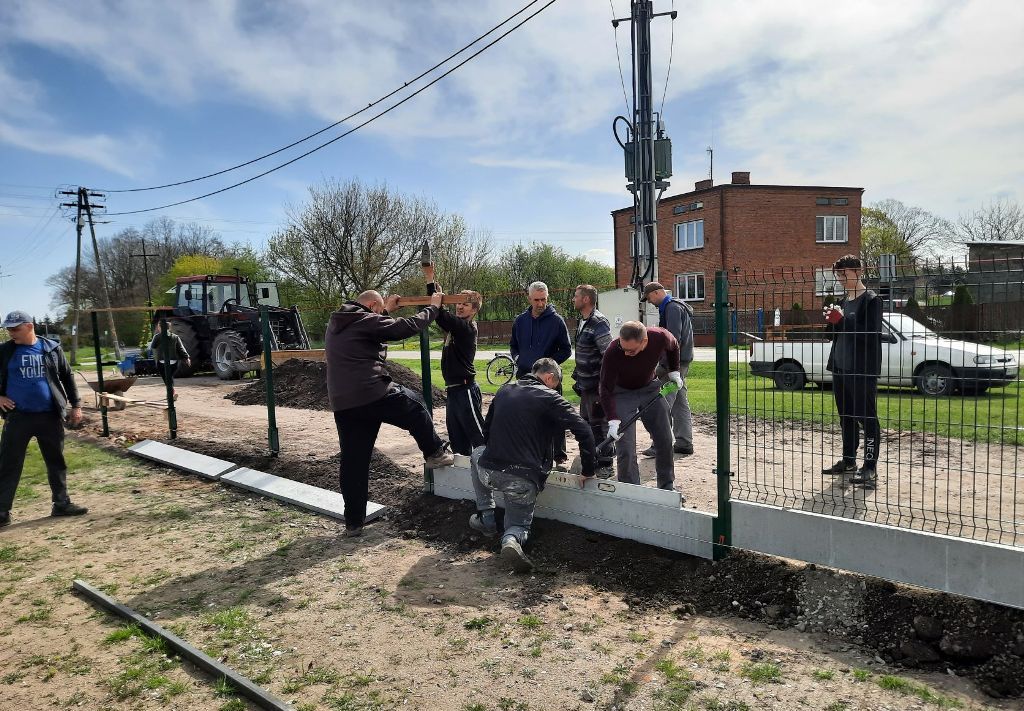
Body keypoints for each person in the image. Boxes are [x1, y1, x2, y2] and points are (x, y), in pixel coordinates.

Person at [327, 289, 455, 536]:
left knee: (354, 462)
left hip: (344, 403)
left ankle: (353, 523)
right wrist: (433, 308)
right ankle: (435, 453)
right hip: (370, 392)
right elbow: (402, 328)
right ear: (372, 306)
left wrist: (385, 310)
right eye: (378, 311)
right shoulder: (364, 320)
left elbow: (372, 329)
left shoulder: (340, 322)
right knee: (416, 405)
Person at [469, 358, 597, 572]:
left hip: (488, 470)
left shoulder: (504, 390)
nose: (556, 389)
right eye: (556, 385)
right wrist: (588, 470)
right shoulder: (551, 398)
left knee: (476, 453)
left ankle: (486, 517)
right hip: (522, 479)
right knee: (518, 525)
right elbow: (584, 430)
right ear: (549, 377)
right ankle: (511, 539)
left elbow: (487, 431)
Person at [0, 311, 88, 526]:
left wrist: (76, 405)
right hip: (18, 417)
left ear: (30, 326)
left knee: (56, 461)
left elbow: (67, 376)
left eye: (15, 328)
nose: (11, 333)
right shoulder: (4, 351)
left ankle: (61, 504)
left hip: (50, 416)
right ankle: (1, 512)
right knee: (8, 464)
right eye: (8, 329)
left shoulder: (51, 348)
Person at [599, 321, 682, 491]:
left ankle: (667, 487)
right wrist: (613, 419)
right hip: (622, 393)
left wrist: (674, 371)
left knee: (665, 439)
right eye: (624, 348)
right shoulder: (613, 350)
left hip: (649, 388)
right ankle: (631, 490)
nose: (626, 353)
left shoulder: (660, 336)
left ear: (644, 342)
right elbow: (605, 388)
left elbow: (674, 345)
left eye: (631, 350)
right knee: (625, 446)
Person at [822, 255, 883, 489]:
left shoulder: (872, 300)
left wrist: (842, 321)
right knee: (845, 417)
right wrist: (831, 320)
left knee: (867, 418)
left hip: (861, 370)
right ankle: (849, 461)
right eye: (838, 274)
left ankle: (870, 467)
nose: (840, 278)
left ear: (858, 271)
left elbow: (871, 335)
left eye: (844, 274)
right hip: (840, 368)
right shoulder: (842, 301)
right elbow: (832, 335)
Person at [509, 281, 572, 467]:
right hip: (525, 377)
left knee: (555, 416)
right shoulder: (520, 321)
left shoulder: (556, 321)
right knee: (527, 417)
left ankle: (559, 456)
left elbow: (566, 349)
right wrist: (518, 358)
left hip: (548, 380)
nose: (540, 303)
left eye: (543, 299)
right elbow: (513, 345)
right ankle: (530, 454)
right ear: (529, 299)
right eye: (536, 300)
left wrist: (548, 365)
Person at [640, 282, 695, 456]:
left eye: (649, 298)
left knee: (661, 403)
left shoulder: (671, 308)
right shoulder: (674, 306)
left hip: (673, 364)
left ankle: (659, 445)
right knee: (680, 402)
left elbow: (673, 339)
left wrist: (666, 366)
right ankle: (684, 443)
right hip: (681, 361)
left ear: (657, 292)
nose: (649, 302)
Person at [436, 290, 485, 455]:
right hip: (452, 391)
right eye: (458, 303)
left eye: (465, 304)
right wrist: (433, 289)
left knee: (479, 437)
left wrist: (435, 295)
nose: (460, 307)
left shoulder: (467, 328)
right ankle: (464, 470)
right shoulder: (455, 327)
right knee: (457, 440)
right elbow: (440, 316)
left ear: (474, 310)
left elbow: (442, 316)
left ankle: (490, 468)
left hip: (466, 390)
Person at [570, 284, 613, 474]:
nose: (573, 299)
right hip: (585, 386)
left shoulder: (598, 322)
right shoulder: (583, 321)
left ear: (586, 299)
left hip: (597, 387)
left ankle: (605, 464)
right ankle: (592, 459)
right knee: (586, 424)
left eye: (576, 296)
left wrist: (604, 385)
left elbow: (608, 355)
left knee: (599, 426)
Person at [149, 320, 191, 398]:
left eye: (158, 326)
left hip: (162, 362)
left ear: (160, 327)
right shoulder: (175, 337)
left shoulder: (157, 337)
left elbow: (153, 346)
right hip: (174, 362)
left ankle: (171, 393)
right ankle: (171, 393)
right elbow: (181, 348)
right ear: (169, 328)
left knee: (167, 379)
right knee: (169, 378)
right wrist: (187, 358)